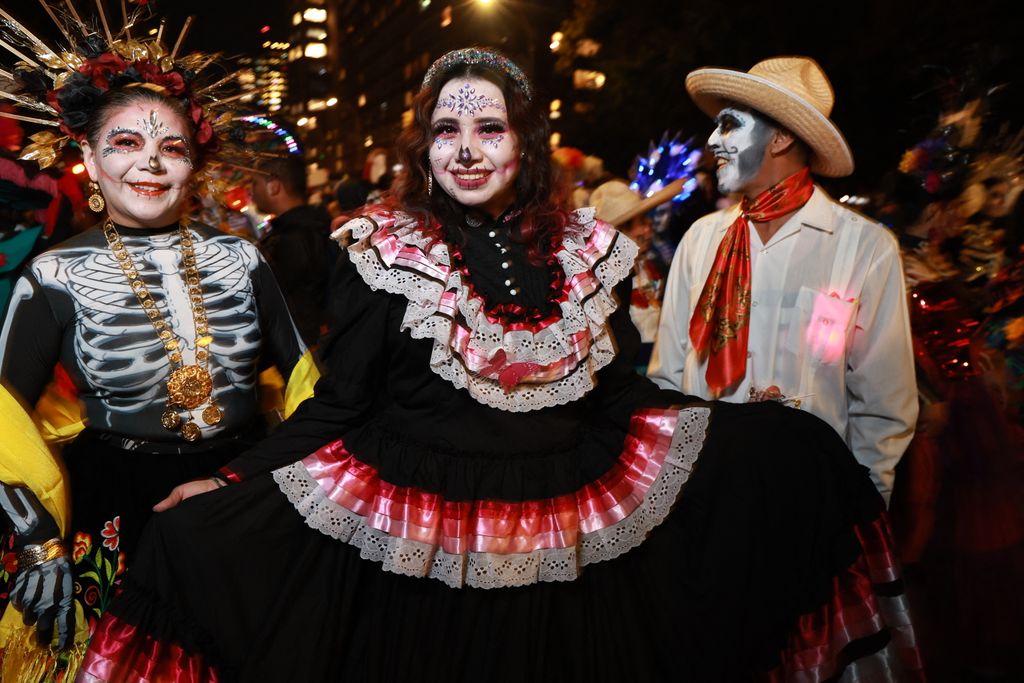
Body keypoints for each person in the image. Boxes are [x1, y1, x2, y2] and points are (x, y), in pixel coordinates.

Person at [79, 48, 921, 682]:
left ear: (525, 140)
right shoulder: (380, 249)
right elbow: (338, 407)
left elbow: (620, 394)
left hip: (567, 541)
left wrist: (757, 433)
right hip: (425, 549)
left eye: (490, 127)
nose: (468, 149)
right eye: (447, 130)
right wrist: (229, 484)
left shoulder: (589, 252)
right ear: (424, 147)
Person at [0, 14, 319, 679]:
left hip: (239, 494)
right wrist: (38, 540)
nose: (150, 161)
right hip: (115, 504)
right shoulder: (52, 273)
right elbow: (1, 416)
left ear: (193, 163)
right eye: (125, 142)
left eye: (171, 147)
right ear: (88, 157)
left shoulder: (242, 258)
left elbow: (308, 386)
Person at [648, 57, 918, 504]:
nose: (713, 140)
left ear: (782, 136)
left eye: (730, 125)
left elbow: (883, 405)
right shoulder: (701, 240)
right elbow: (668, 377)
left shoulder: (862, 248)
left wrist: (863, 510)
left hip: (807, 499)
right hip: (703, 491)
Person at [590, 177, 684, 367]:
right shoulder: (604, 279)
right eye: (640, 223)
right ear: (619, 232)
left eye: (647, 221)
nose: (648, 229)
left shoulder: (649, 266)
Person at [251, 154, 337, 348]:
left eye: (254, 184)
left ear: (273, 186)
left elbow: (299, 311)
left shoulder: (290, 239)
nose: (251, 192)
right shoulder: (319, 224)